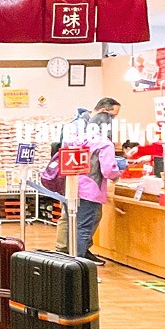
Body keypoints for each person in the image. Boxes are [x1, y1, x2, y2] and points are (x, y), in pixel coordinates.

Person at [56, 112, 122, 262]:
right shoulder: (104, 143)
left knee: (72, 225)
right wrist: (118, 174)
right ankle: (78, 266)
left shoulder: (77, 138)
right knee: (84, 228)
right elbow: (108, 170)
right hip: (90, 190)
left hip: (70, 188)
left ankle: (66, 261)